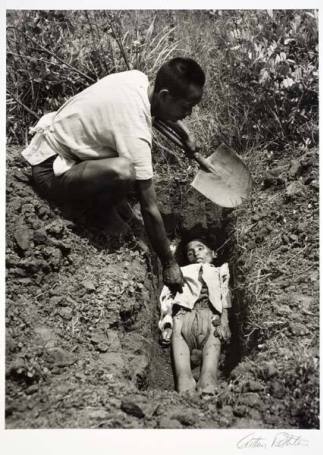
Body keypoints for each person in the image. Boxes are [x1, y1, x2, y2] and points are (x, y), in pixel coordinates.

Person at [21, 57, 206, 293]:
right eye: (185, 107)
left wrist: (184, 134)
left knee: (127, 170)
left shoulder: (137, 79)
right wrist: (169, 263)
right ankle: (98, 211)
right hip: (50, 168)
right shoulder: (135, 132)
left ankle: (105, 199)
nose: (189, 113)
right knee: (125, 172)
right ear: (165, 96)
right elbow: (149, 207)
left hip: (64, 145)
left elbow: (157, 109)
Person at [158, 237, 232, 394]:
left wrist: (225, 320)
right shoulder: (180, 271)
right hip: (182, 316)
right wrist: (167, 324)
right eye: (190, 252)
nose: (195, 253)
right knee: (183, 381)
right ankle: (185, 388)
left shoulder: (220, 271)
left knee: (209, 379)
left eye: (200, 248)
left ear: (214, 253)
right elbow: (167, 298)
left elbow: (225, 294)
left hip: (211, 317)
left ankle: (207, 386)